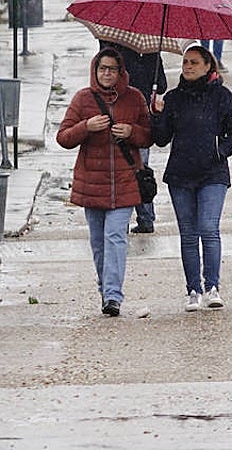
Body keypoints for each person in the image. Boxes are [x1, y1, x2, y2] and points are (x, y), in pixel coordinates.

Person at [56, 48, 152, 317]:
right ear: (95, 71)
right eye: (102, 69)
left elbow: (149, 137)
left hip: (125, 181)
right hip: (92, 183)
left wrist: (133, 132)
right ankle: (105, 289)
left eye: (112, 69)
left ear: (121, 72)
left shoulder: (134, 98)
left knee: (115, 237)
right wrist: (86, 126)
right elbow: (63, 137)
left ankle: (113, 295)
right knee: (99, 242)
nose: (107, 74)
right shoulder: (83, 99)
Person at [151, 43, 232, 312]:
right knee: (188, 234)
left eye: (194, 62)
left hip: (212, 173)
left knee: (208, 228)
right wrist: (156, 115)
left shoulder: (223, 96)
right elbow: (160, 139)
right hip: (181, 174)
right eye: (185, 62)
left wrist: (220, 149)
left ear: (208, 66)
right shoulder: (173, 98)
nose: (188, 67)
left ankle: (212, 286)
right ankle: (193, 289)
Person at [109, 43, 168, 234]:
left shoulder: (113, 51)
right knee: (140, 169)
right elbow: (162, 84)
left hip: (116, 116)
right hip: (141, 119)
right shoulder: (152, 50)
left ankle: (121, 220)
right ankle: (145, 217)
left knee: (118, 170)